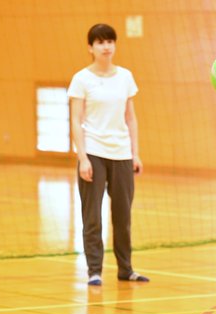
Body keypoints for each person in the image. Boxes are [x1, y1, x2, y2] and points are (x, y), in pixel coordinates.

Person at [68, 23, 149, 286]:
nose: (106, 46)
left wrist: (135, 154)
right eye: (100, 42)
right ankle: (94, 270)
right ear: (90, 47)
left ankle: (126, 269)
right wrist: (82, 158)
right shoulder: (81, 79)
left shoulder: (125, 76)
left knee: (123, 216)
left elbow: (131, 118)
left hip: (122, 154)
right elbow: (75, 120)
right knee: (92, 216)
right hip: (93, 152)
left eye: (110, 41)